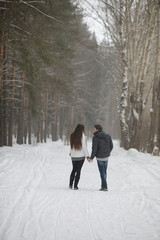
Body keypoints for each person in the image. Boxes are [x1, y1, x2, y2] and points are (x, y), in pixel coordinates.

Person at [88, 124, 113, 191]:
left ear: (97, 129)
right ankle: (103, 186)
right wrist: (108, 152)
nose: (93, 129)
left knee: (102, 172)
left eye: (94, 128)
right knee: (104, 171)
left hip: (99, 157)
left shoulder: (95, 137)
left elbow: (94, 148)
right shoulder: (108, 136)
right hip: (106, 157)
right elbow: (111, 146)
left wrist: (91, 157)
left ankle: (104, 187)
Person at [69, 124, 89, 190]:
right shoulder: (82, 136)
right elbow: (84, 147)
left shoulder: (72, 135)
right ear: (82, 129)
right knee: (78, 170)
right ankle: (75, 186)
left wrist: (71, 153)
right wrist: (87, 156)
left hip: (73, 156)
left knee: (73, 169)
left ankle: (70, 184)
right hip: (80, 156)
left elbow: (71, 145)